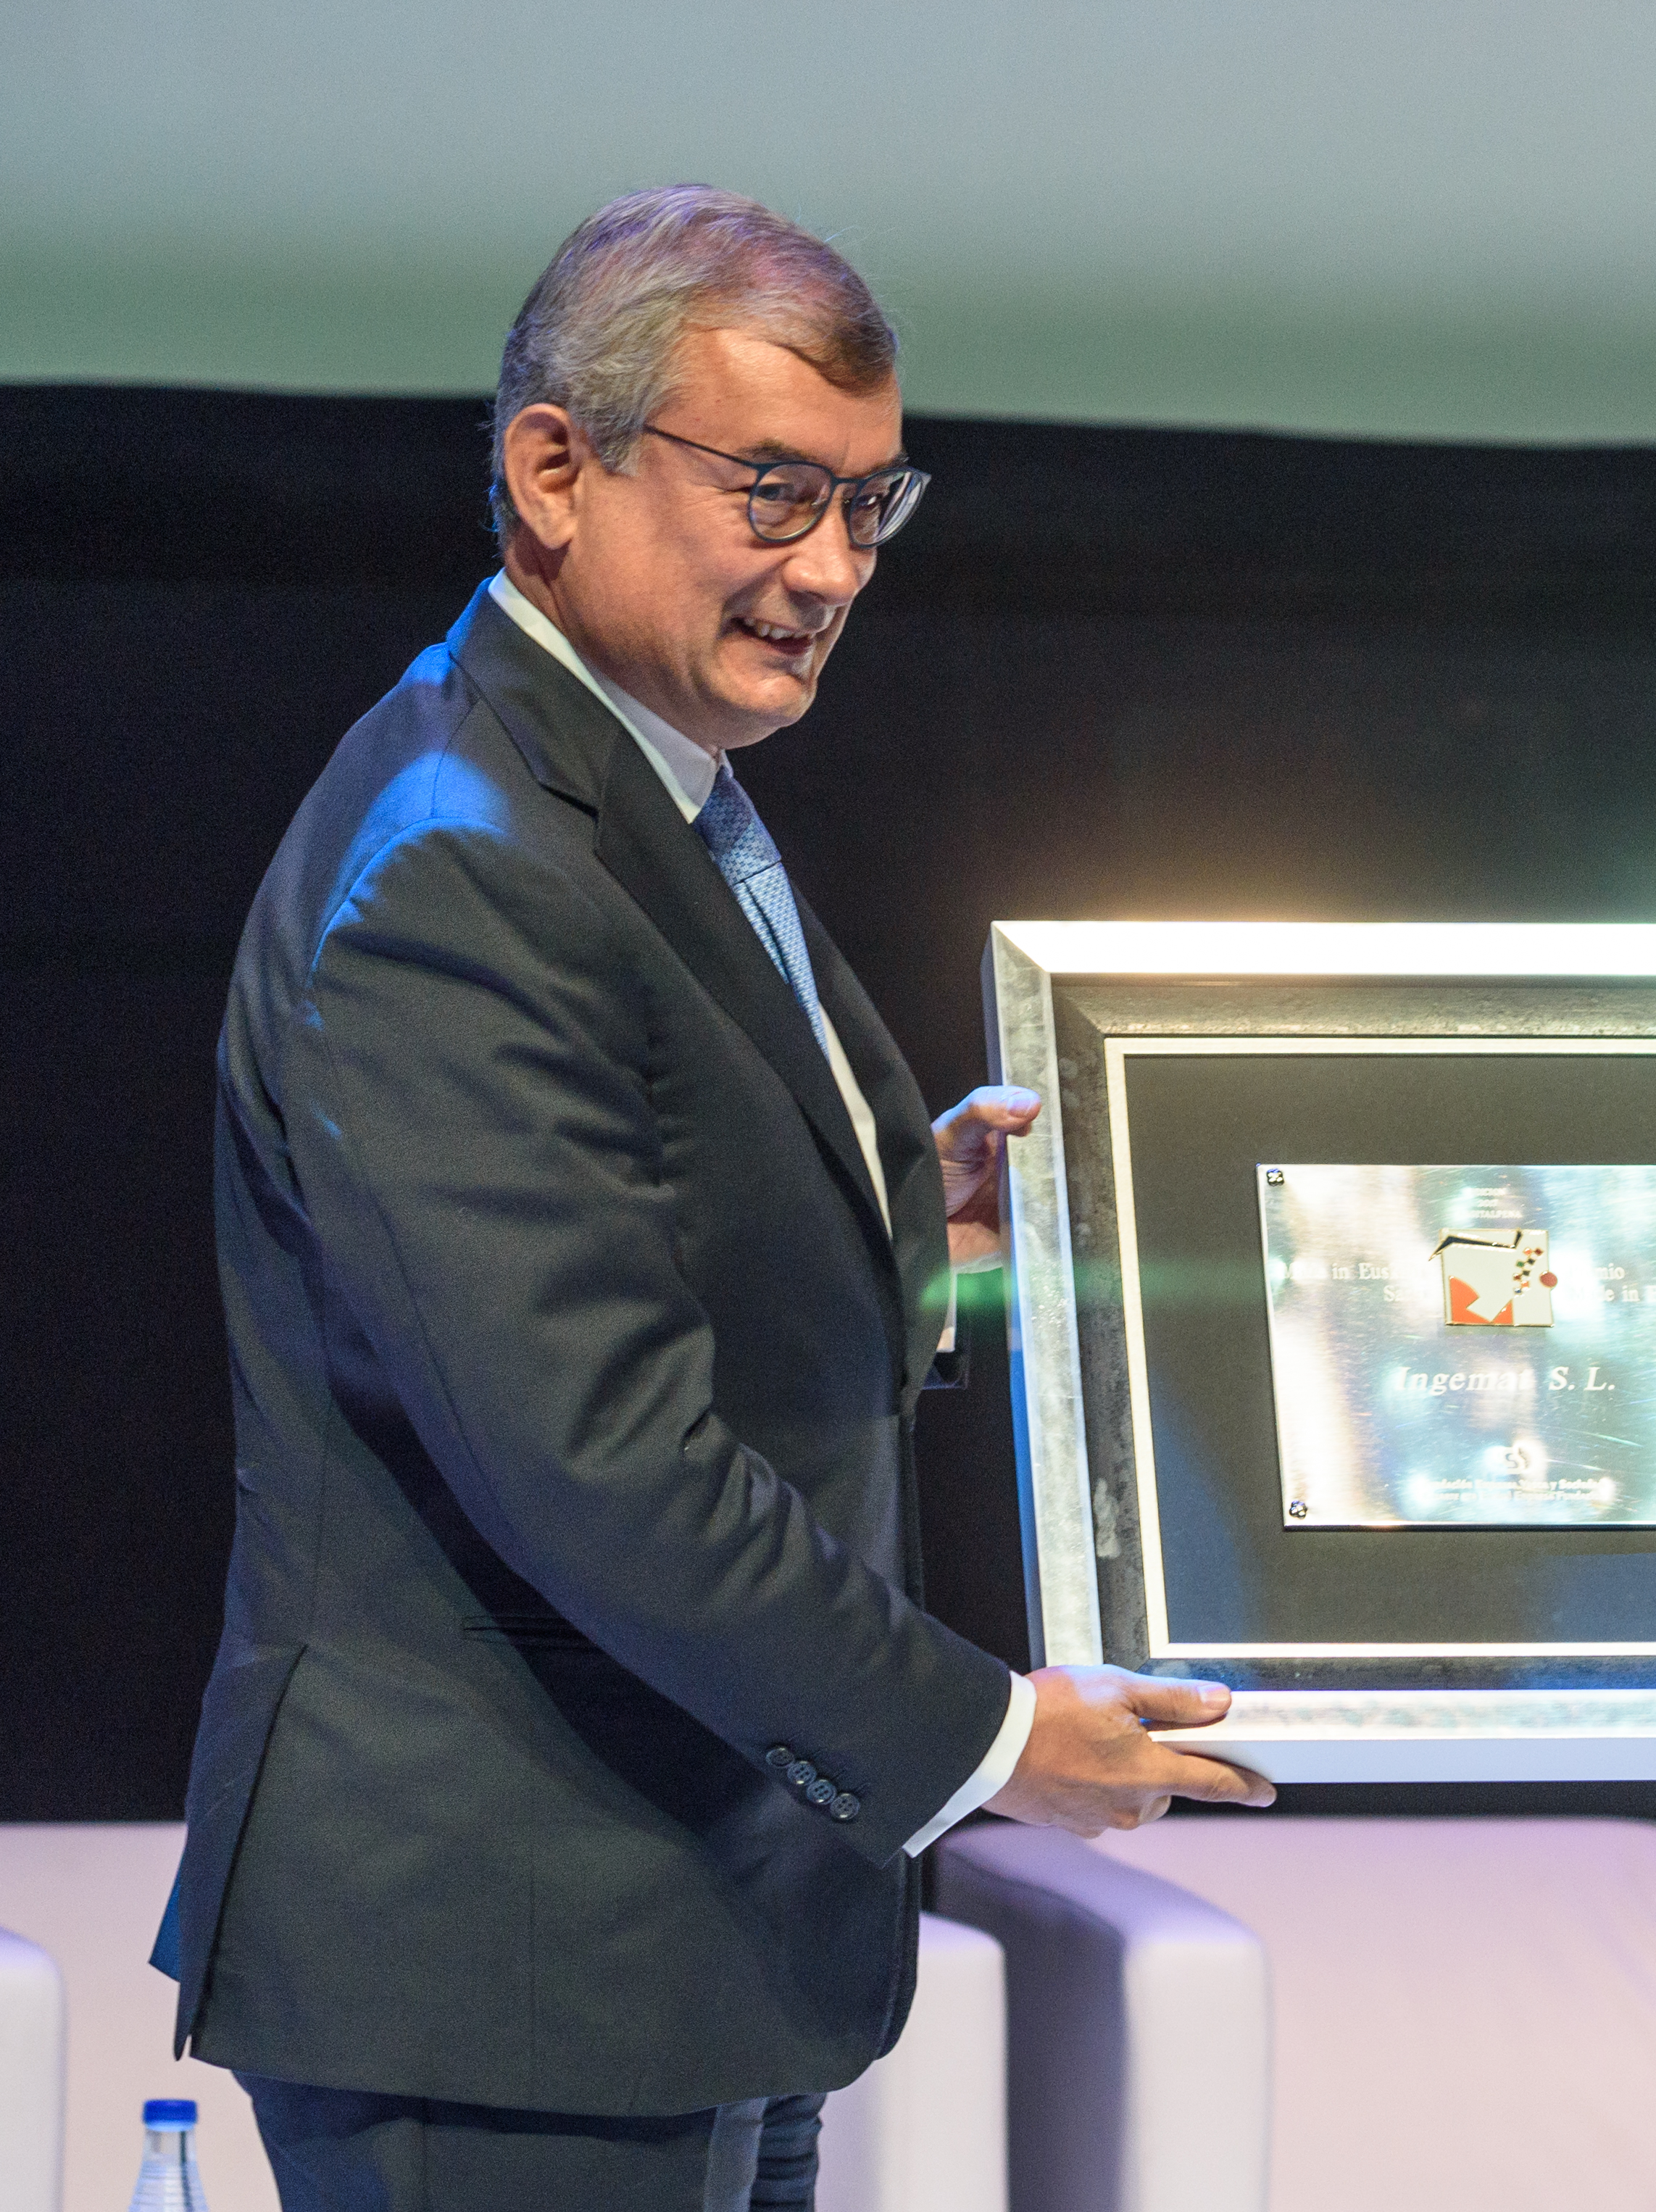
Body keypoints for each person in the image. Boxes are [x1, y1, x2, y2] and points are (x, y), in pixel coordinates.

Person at [150, 186, 1273, 2211]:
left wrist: (899, 1238)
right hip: (499, 1978)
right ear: (552, 469)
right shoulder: (462, 860)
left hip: (686, 1949)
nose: (832, 566)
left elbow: (638, 1240)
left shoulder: (641, 794)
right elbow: (591, 1462)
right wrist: (991, 1736)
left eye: (869, 504)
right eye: (776, 492)